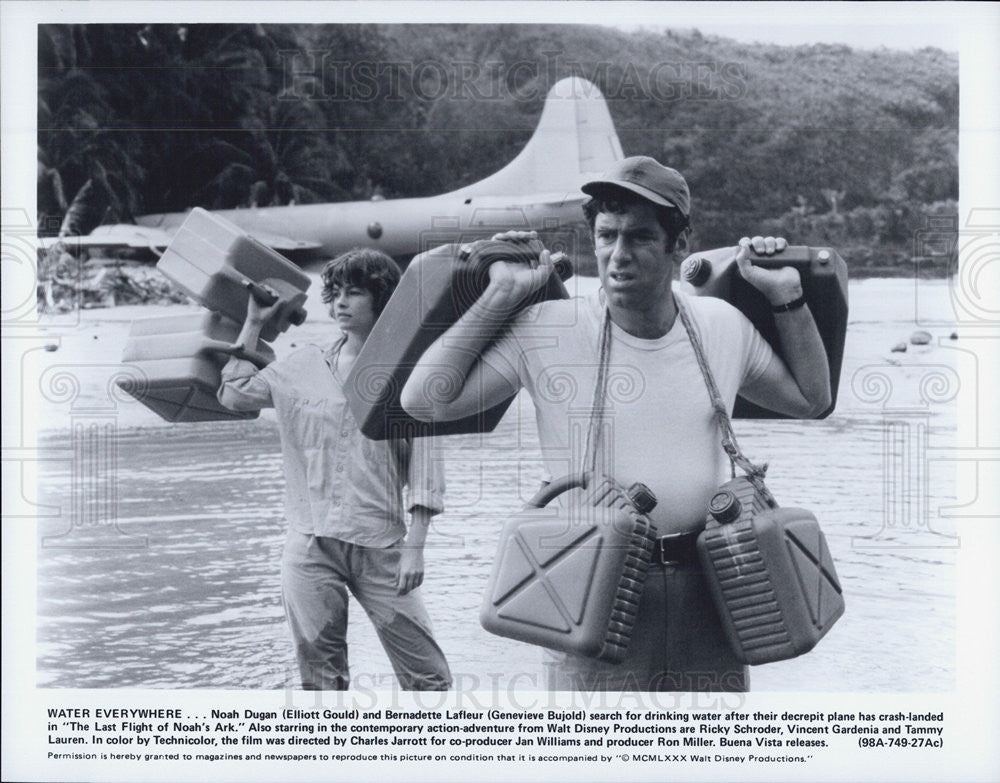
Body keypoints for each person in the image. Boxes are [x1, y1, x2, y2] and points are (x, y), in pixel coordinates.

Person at [400, 156, 830, 692]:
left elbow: (811, 399)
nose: (618, 256)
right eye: (606, 236)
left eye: (640, 238)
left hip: (713, 586)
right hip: (591, 587)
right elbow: (424, 401)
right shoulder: (547, 327)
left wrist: (785, 295)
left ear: (679, 245)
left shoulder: (722, 324)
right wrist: (501, 294)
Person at [218, 248, 451, 691]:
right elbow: (234, 394)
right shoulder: (302, 364)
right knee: (321, 680)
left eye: (355, 293)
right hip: (309, 544)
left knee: (429, 678)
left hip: (380, 544)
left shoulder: (407, 372)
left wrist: (416, 548)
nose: (341, 303)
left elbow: (427, 464)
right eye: (336, 293)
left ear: (382, 299)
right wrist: (253, 322)